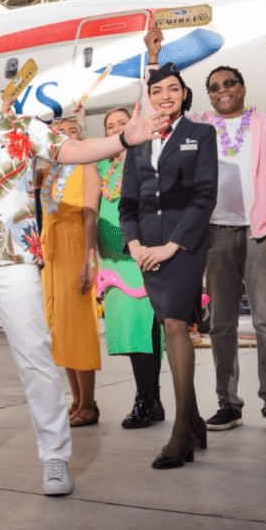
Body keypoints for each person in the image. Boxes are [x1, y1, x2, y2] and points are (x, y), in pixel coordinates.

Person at [0, 45, 167, 495]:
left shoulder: (22, 128)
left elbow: (74, 149)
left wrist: (126, 138)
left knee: (35, 357)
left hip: (13, 258)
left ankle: (55, 457)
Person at [118, 31, 218, 469]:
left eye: (172, 89)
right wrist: (136, 244)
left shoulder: (201, 134)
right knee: (167, 324)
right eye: (156, 90)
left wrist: (172, 246)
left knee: (176, 324)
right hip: (147, 249)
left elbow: (204, 196)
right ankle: (194, 419)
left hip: (184, 246)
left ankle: (181, 433)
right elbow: (127, 202)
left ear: (184, 95)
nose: (164, 96)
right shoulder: (136, 139)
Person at [191, 60, 266, 434]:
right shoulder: (201, 125)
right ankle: (228, 404)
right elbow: (158, 105)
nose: (222, 90)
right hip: (217, 232)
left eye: (229, 83)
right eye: (215, 86)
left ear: (243, 87)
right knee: (221, 324)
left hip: (260, 230)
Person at [95, 107, 164, 429]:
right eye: (111, 126)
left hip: (139, 253)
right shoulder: (103, 165)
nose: (117, 129)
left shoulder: (146, 158)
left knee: (144, 332)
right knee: (132, 336)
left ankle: (145, 401)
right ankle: (153, 400)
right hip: (113, 262)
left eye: (123, 123)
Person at [39, 115, 102, 427]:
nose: (65, 135)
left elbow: (90, 214)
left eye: (72, 131)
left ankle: (89, 403)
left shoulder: (87, 166)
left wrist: (88, 260)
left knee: (79, 326)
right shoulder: (49, 171)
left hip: (76, 245)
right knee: (60, 329)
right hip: (52, 252)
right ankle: (76, 399)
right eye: (59, 132)